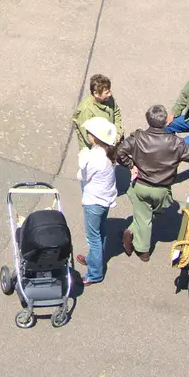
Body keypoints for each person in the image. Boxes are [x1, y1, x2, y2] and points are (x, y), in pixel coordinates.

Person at [116, 105, 189, 261]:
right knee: (148, 216)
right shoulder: (177, 143)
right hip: (162, 190)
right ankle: (138, 244)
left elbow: (120, 152)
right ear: (165, 121)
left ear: (148, 120)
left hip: (140, 186)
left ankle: (137, 243)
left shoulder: (137, 138)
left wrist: (131, 166)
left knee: (144, 218)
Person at [76, 117, 119, 286]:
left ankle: (94, 273)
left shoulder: (95, 158)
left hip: (93, 202)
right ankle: (94, 259)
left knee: (93, 237)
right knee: (101, 232)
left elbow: (81, 176)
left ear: (95, 137)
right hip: (105, 199)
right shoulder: (109, 153)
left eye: (89, 133)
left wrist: (82, 158)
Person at [73, 74, 123, 150]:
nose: (110, 94)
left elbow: (116, 113)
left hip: (109, 142)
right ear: (96, 93)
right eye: (106, 93)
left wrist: (118, 133)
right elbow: (89, 138)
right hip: (93, 150)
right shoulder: (86, 110)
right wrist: (107, 146)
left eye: (109, 91)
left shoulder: (108, 98)